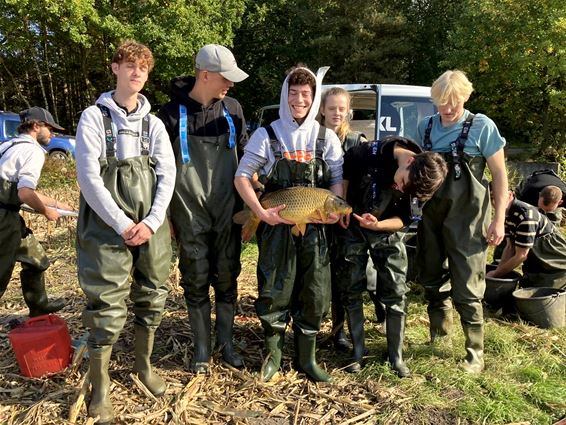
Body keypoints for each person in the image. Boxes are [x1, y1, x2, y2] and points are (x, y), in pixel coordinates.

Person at [76, 41, 175, 423]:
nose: (137, 73)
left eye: (144, 69)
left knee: (153, 292)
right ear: (114, 68)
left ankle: (143, 366)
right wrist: (121, 223)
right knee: (106, 302)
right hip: (105, 224)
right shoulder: (93, 118)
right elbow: (88, 177)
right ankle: (100, 387)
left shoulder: (154, 124)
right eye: (130, 66)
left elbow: (168, 174)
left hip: (151, 223)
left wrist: (151, 221)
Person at [235, 65, 344, 383]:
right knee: (275, 290)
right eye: (293, 93)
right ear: (285, 94)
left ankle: (306, 360)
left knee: (314, 292)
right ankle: (273, 358)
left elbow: (336, 181)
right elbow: (242, 176)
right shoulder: (266, 135)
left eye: (306, 95)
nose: (299, 100)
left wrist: (335, 209)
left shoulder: (326, 138)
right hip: (276, 227)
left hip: (315, 229)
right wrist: (260, 212)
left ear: (314, 99)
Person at [157, 44, 248, 373]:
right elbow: (159, 172)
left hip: (227, 209)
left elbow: (246, 158)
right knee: (194, 279)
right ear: (205, 75)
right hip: (188, 210)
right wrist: (164, 216)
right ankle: (201, 349)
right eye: (226, 78)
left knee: (227, 276)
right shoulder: (168, 115)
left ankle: (227, 344)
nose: (230, 85)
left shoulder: (233, 109)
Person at [415, 70, 508, 374]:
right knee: (431, 276)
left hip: (468, 218)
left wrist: (499, 220)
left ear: (466, 97)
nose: (448, 108)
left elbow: (499, 175)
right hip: (432, 217)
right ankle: (440, 337)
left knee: (467, 284)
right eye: (442, 102)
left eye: (454, 102)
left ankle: (475, 352)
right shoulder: (424, 127)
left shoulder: (482, 127)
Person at [334, 136, 447, 376]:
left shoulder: (423, 179)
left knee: (396, 291)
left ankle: (396, 356)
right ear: (408, 160)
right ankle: (357, 351)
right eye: (402, 183)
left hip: (387, 231)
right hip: (352, 225)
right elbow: (342, 174)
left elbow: (405, 219)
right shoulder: (367, 152)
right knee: (351, 287)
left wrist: (379, 225)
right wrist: (342, 204)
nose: (401, 189)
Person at [0, 107, 72, 317]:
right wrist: (47, 211)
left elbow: (18, 190)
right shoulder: (32, 151)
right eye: (50, 128)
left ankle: (38, 305)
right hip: (3, 221)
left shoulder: (9, 145)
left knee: (36, 259)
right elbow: (24, 193)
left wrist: (57, 203)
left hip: (9, 216)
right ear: (36, 126)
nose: (53, 134)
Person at [318, 87, 368, 353]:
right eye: (331, 108)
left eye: (341, 108)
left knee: (344, 277)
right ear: (322, 110)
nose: (336, 113)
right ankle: (309, 327)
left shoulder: (357, 142)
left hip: (345, 220)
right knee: (316, 275)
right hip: (315, 215)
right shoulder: (312, 138)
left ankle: (340, 332)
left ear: (348, 111)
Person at [487, 190, 566, 289]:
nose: (495, 203)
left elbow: (521, 256)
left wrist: (495, 274)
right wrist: (498, 274)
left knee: (541, 297)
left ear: (510, 194)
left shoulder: (526, 216)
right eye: (492, 199)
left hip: (555, 264)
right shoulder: (506, 215)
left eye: (498, 198)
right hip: (536, 263)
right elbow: (509, 247)